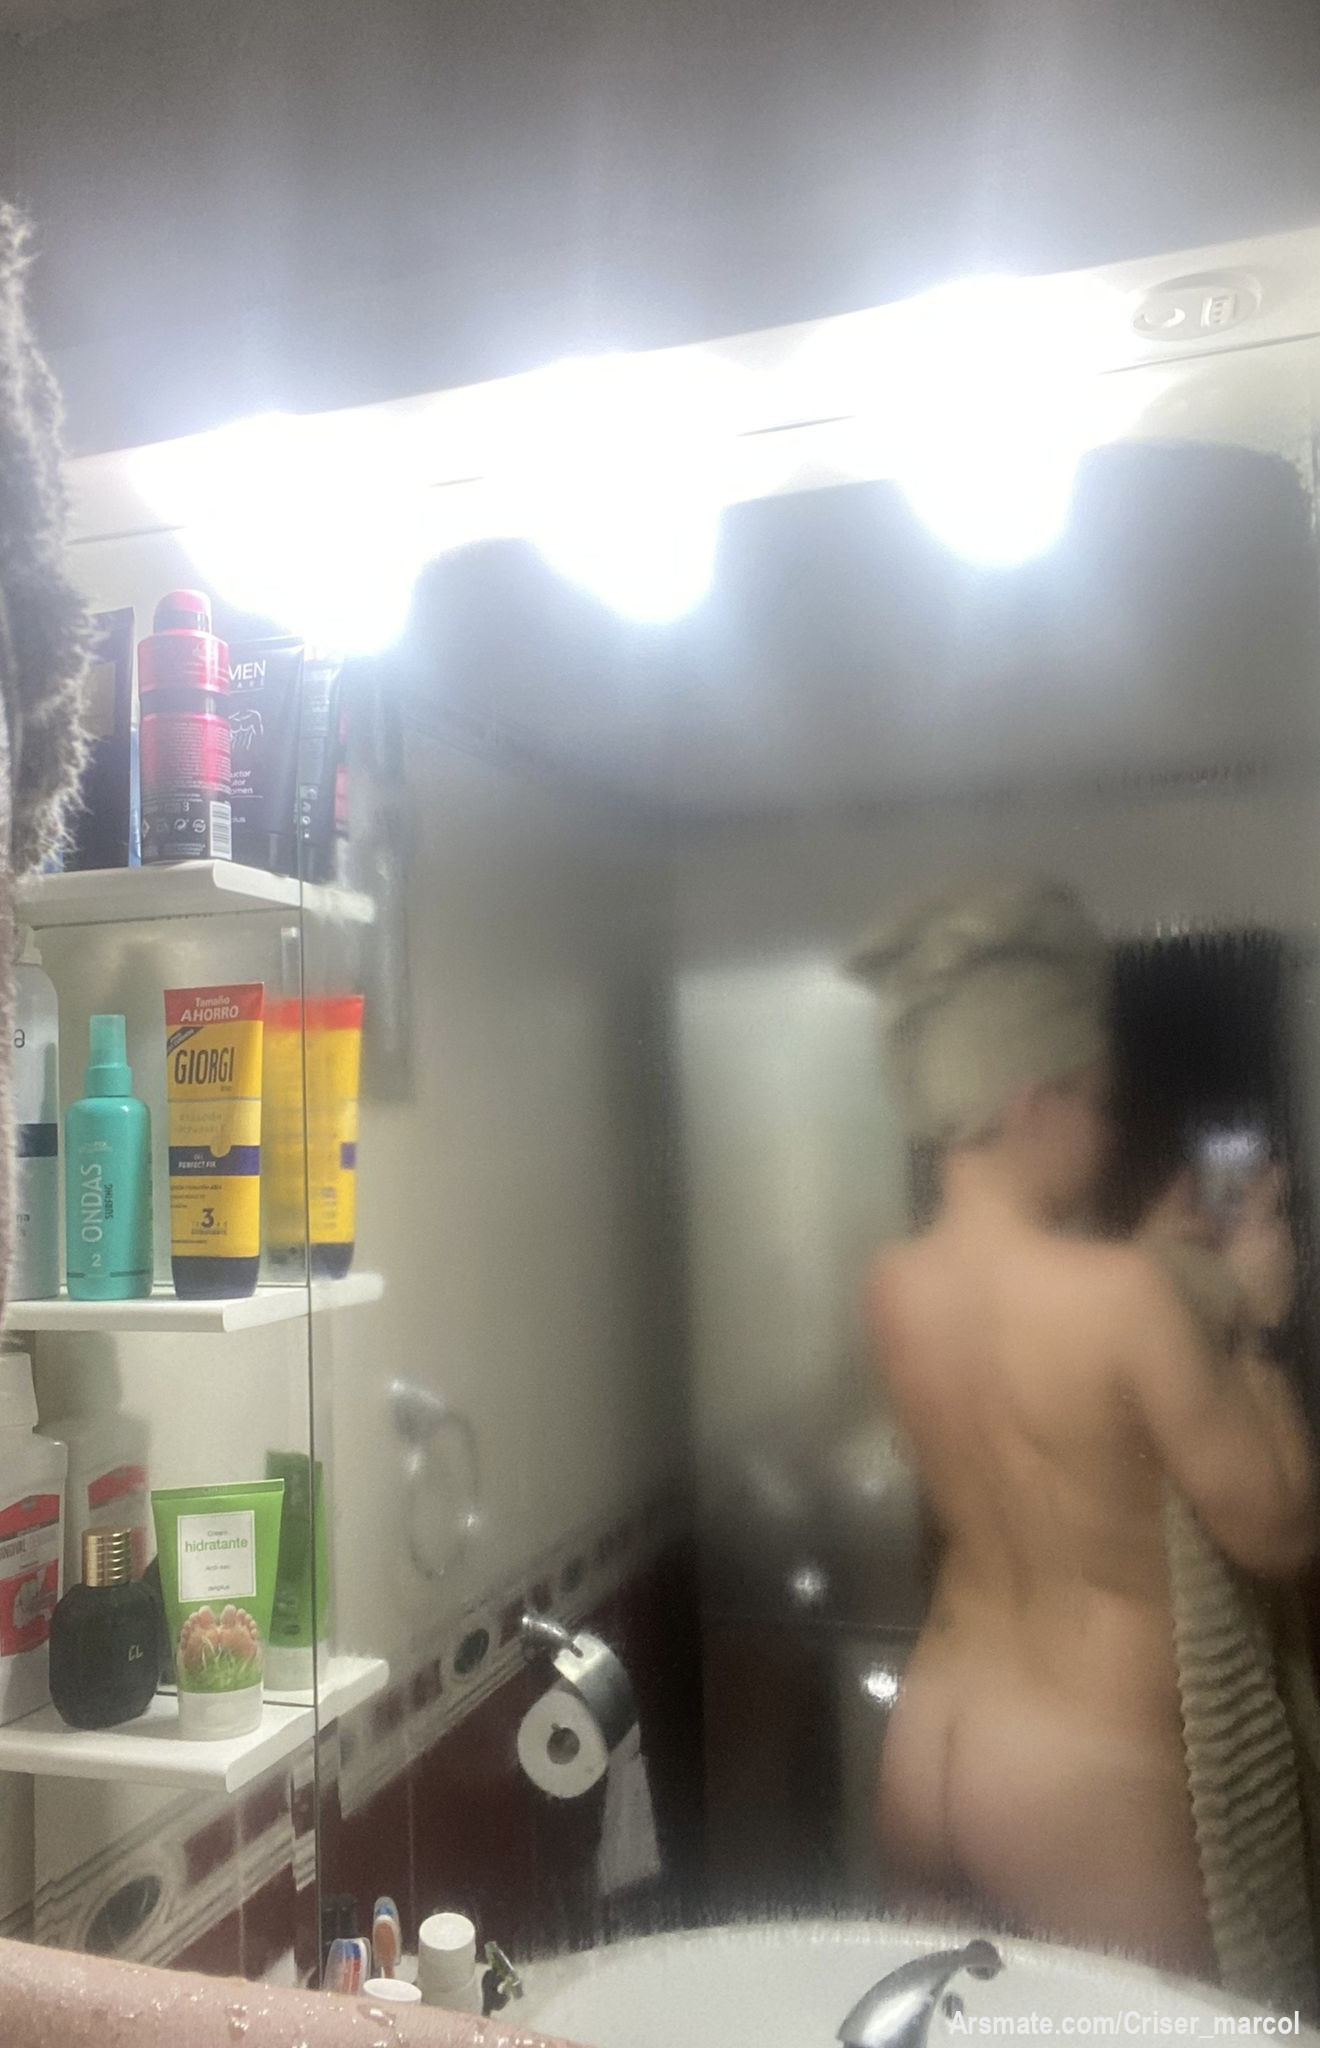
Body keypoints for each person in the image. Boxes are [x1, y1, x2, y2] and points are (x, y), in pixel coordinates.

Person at [849, 878, 1317, 1978]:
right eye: (1094, 1101)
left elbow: (1038, 1380)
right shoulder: (1123, 1302)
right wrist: (1255, 1320)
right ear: (1033, 1100)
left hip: (931, 1739)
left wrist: (1154, 1265)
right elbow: (1281, 1530)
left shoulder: (896, 1283)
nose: (1102, 1133)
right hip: (1078, 1784)